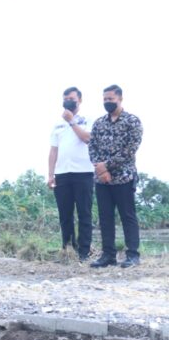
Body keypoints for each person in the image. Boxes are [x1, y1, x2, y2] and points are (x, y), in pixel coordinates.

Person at [88, 85, 143, 268]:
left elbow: (130, 150)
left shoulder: (132, 121)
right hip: (102, 179)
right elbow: (92, 147)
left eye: (110, 99)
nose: (107, 102)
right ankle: (108, 256)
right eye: (105, 99)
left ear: (120, 98)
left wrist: (107, 166)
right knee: (105, 217)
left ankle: (133, 255)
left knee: (128, 216)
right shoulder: (99, 123)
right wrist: (101, 170)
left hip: (124, 177)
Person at [47, 87, 94, 262]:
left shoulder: (88, 119)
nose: (68, 101)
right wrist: (51, 174)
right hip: (62, 174)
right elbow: (53, 151)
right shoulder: (57, 124)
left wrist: (72, 121)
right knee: (65, 214)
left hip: (83, 172)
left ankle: (84, 252)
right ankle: (68, 249)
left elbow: (87, 138)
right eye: (65, 98)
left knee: (84, 213)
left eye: (72, 98)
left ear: (79, 100)